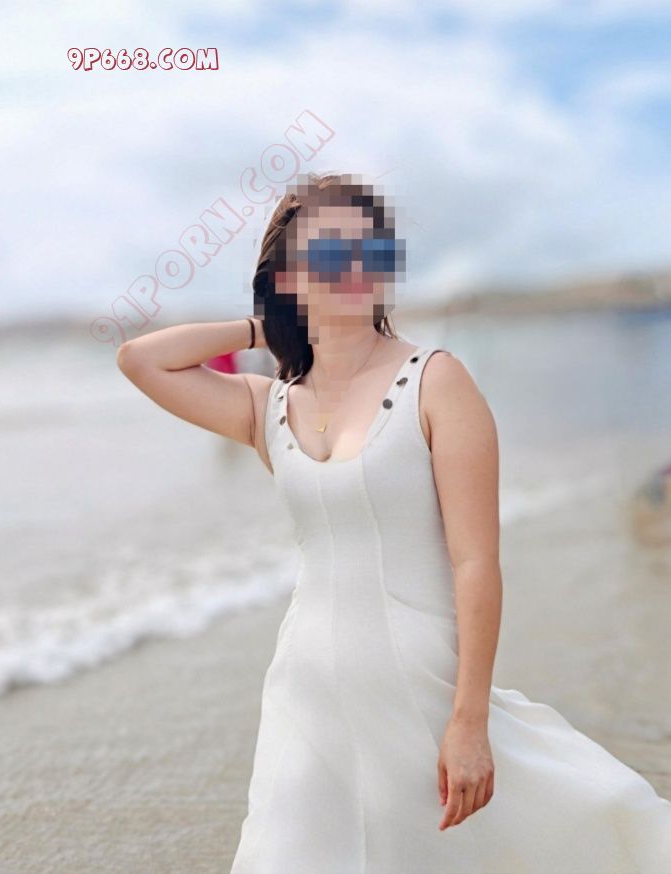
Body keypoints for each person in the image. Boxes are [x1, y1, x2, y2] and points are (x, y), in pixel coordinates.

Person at [117, 172, 671, 873]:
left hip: (422, 693)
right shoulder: (269, 406)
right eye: (328, 253)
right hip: (305, 697)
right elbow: (141, 359)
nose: (354, 267)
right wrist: (267, 326)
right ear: (287, 276)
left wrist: (469, 721)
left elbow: (476, 562)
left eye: (371, 251)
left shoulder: (436, 380)